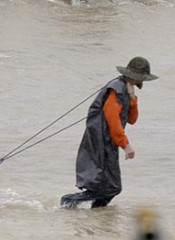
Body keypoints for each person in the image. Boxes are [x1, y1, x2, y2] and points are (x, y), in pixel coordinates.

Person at [61, 57, 158, 209]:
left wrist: (132, 99)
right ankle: (67, 201)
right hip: (100, 141)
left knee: (109, 187)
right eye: (142, 78)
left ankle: (96, 214)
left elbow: (132, 120)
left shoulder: (126, 90)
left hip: (108, 141)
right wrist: (126, 145)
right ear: (136, 77)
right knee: (111, 187)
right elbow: (113, 121)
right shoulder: (116, 90)